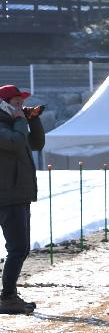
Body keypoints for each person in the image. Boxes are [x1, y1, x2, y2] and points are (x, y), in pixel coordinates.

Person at [0, 85, 44, 315]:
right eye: (16, 102)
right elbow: (16, 143)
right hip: (8, 196)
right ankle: (7, 297)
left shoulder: (14, 123)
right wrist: (20, 121)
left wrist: (32, 120)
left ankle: (9, 294)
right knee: (17, 248)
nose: (20, 106)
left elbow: (36, 144)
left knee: (20, 247)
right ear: (4, 104)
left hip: (17, 194)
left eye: (21, 102)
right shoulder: (4, 125)